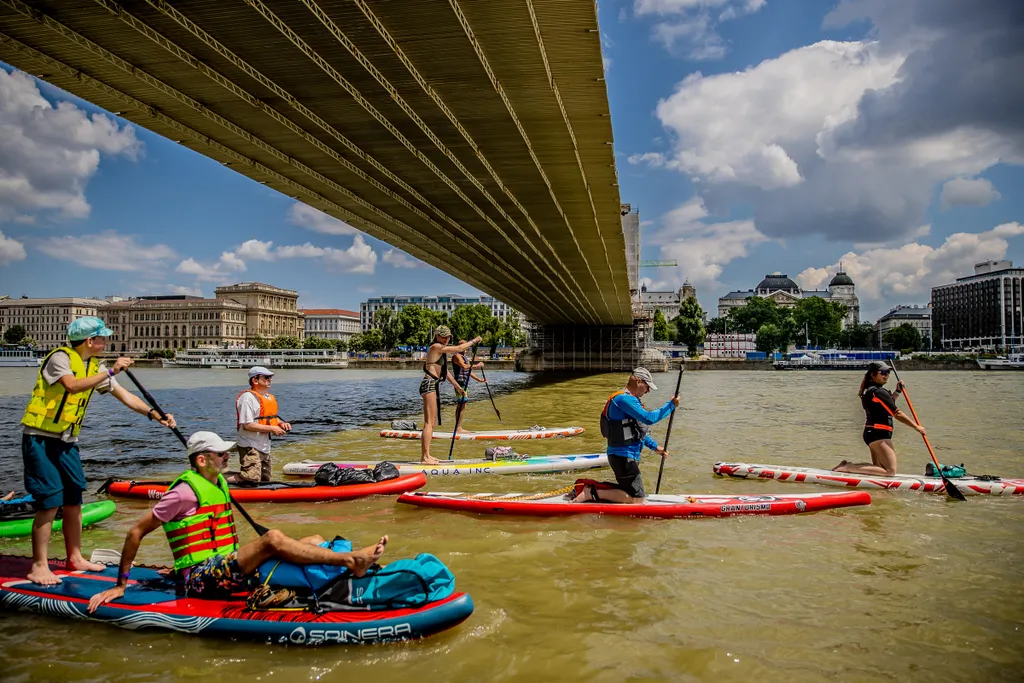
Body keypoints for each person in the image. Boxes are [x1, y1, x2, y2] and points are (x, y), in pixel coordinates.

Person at [86, 431, 388, 613]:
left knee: (311, 539)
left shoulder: (217, 483)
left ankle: (343, 569)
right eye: (221, 455)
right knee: (273, 539)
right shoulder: (182, 493)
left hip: (221, 566)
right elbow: (135, 531)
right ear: (202, 460)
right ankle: (351, 560)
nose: (227, 458)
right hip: (201, 580)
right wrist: (121, 585)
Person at [20, 316, 177, 585]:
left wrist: (154, 414)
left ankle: (75, 558)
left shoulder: (94, 366)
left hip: (67, 441)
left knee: (74, 499)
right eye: (103, 338)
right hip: (40, 439)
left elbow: (126, 396)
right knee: (49, 502)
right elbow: (71, 385)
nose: (107, 342)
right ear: (90, 341)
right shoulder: (61, 358)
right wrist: (112, 371)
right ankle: (39, 566)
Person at [572, 367, 679, 504]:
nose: (648, 391)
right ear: (639, 381)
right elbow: (648, 418)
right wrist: (671, 405)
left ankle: (591, 490)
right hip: (623, 457)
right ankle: (591, 493)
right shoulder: (623, 399)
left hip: (625, 457)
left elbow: (635, 432)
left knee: (628, 493)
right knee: (637, 500)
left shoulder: (629, 401)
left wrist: (654, 447)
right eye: (647, 387)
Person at [832, 361, 925, 476]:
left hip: (872, 433)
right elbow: (897, 413)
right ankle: (848, 467)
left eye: (888, 372)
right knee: (890, 471)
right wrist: (916, 427)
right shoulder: (878, 392)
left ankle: (877, 492)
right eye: (883, 372)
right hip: (878, 434)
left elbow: (886, 405)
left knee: (879, 469)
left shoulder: (869, 391)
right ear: (873, 375)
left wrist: (897, 391)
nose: (886, 375)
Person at [419, 327, 482, 464]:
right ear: (437, 336)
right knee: (429, 423)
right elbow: (459, 348)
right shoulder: (436, 347)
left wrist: (458, 387)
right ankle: (424, 458)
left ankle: (428, 455)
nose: (446, 339)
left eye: (448, 337)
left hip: (433, 385)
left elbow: (446, 373)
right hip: (429, 384)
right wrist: (474, 340)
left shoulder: (441, 352)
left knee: (432, 423)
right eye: (443, 337)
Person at [229, 366, 291, 484]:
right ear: (255, 380)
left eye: (271, 377)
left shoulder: (268, 397)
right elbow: (247, 425)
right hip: (249, 444)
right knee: (251, 479)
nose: (270, 380)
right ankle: (216, 478)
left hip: (264, 446)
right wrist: (272, 428)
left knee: (265, 479)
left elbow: (271, 418)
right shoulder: (247, 398)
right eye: (266, 377)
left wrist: (282, 423)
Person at [451, 340, 486, 434]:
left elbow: (468, 371)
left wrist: (479, 379)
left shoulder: (463, 357)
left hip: (464, 383)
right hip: (459, 384)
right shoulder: (457, 356)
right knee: (461, 404)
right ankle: (458, 428)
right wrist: (478, 365)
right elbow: (465, 366)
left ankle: (458, 427)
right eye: (462, 345)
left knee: (462, 404)